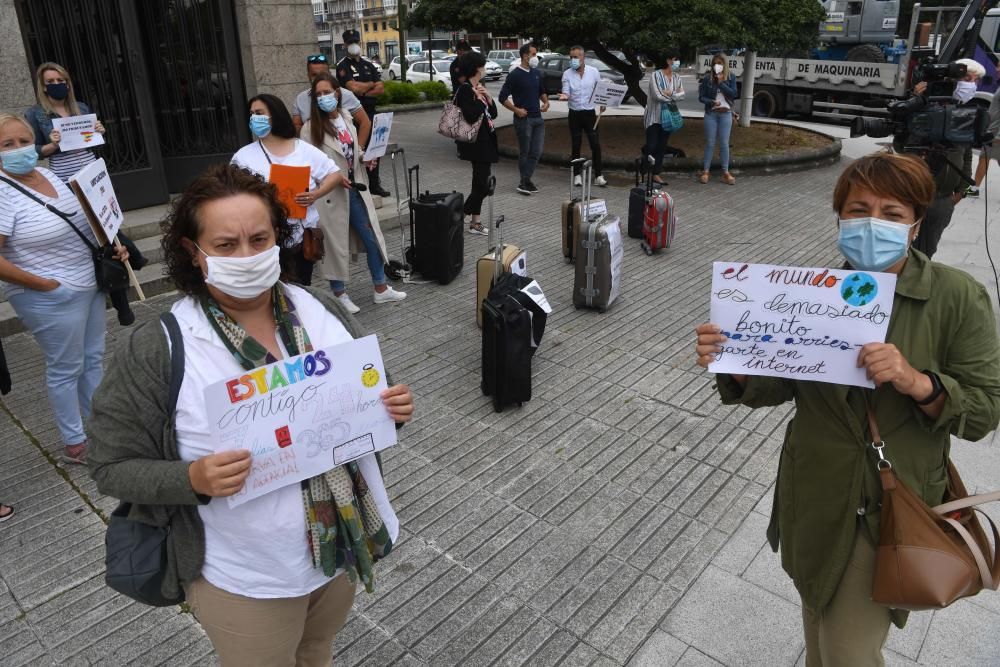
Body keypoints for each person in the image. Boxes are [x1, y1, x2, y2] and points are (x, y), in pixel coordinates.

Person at [87, 163, 413, 666]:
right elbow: (110, 465)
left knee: (317, 650)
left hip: (344, 543)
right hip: (249, 577)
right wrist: (191, 477)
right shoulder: (158, 347)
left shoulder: (317, 305)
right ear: (194, 254)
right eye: (225, 245)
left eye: (259, 238)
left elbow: (367, 396)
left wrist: (391, 409)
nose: (247, 255)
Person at [694, 151, 1000, 666]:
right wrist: (738, 364)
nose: (872, 223)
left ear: (916, 224)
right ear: (840, 217)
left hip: (887, 505)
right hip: (812, 493)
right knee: (818, 625)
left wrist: (918, 383)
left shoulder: (957, 298)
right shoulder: (811, 295)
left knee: (848, 651)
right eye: (859, 210)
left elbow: (986, 412)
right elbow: (782, 384)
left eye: (892, 213)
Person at [0, 113, 128, 466]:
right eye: (7, 145)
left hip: (87, 280)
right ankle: (75, 443)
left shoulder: (45, 172)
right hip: (48, 295)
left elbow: (83, 217)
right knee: (65, 368)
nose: (19, 150)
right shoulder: (2, 191)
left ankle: (101, 429)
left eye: (23, 141)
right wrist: (44, 285)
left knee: (91, 359)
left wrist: (112, 244)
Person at [302, 72, 406, 312]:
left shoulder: (346, 118)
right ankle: (339, 294)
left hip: (357, 189)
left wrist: (364, 158)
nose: (323, 97)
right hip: (330, 196)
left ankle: (380, 288)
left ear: (337, 93)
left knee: (372, 239)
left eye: (327, 92)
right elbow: (307, 167)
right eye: (318, 94)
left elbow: (352, 151)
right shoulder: (309, 129)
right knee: (334, 246)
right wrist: (332, 179)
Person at [230, 94, 343, 286]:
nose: (254, 118)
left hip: (299, 240)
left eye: (259, 113)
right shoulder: (243, 156)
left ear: (275, 115)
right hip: (262, 241)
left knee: (300, 291)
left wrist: (315, 194)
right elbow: (230, 192)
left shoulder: (303, 149)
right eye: (251, 115)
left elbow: (335, 174)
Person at [906, 58, 984, 259]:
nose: (971, 85)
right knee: (902, 249)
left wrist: (961, 192)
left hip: (943, 200)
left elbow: (966, 156)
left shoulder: (965, 114)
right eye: (967, 78)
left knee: (927, 253)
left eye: (975, 80)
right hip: (914, 194)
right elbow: (903, 145)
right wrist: (915, 102)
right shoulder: (925, 106)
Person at [24, 62, 107, 184]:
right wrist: (53, 145)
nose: (56, 84)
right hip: (64, 177)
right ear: (44, 87)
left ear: (67, 84)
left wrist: (100, 133)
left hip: (93, 171)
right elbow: (32, 151)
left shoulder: (81, 108)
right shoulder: (35, 113)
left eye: (60, 80)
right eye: (50, 81)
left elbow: (95, 143)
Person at [337, 29, 390, 197]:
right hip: (354, 116)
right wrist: (370, 85)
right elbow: (352, 88)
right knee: (356, 149)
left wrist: (363, 89)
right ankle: (357, 184)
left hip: (371, 111)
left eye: (355, 41)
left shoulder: (367, 64)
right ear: (345, 45)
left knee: (375, 149)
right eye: (350, 42)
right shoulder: (342, 66)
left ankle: (374, 184)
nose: (353, 45)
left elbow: (380, 88)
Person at [452, 52, 499, 236]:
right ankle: (457, 216)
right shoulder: (465, 89)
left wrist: (487, 97)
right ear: (476, 68)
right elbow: (471, 115)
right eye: (483, 66)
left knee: (478, 183)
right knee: (484, 185)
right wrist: (480, 101)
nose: (485, 69)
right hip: (475, 144)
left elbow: (493, 113)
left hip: (485, 141)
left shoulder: (478, 87)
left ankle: (475, 222)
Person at [499, 43, 548, 195]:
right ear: (525, 56)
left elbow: (541, 91)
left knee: (537, 152)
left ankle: (526, 180)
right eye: (533, 54)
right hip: (523, 120)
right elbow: (502, 97)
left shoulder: (536, 73)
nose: (536, 57)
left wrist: (546, 102)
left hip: (538, 119)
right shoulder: (514, 75)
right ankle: (524, 181)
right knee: (525, 152)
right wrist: (516, 110)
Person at [558, 45, 607, 188]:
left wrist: (602, 103)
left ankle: (598, 175)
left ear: (583, 57)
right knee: (576, 144)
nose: (573, 60)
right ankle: (577, 175)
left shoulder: (593, 72)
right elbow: (566, 91)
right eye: (571, 57)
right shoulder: (567, 74)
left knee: (595, 145)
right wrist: (564, 95)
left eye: (576, 57)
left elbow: (600, 89)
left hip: (590, 114)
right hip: (574, 114)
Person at [292, 54, 365, 136]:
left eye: (322, 74)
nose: (319, 78)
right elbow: (296, 125)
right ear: (308, 76)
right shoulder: (300, 99)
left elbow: (365, 122)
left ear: (329, 74)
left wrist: (358, 147)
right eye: (314, 75)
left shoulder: (345, 95)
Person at [642, 50, 685, 187]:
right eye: (674, 59)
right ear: (668, 61)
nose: (677, 62)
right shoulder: (656, 75)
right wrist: (674, 94)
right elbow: (657, 95)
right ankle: (644, 171)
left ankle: (656, 173)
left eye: (678, 59)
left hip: (668, 118)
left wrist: (669, 92)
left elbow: (683, 94)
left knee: (661, 147)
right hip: (654, 117)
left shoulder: (677, 77)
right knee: (651, 145)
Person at [698, 54, 738, 185]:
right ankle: (705, 171)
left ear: (725, 64)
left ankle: (725, 172)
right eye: (715, 63)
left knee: (724, 144)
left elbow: (734, 94)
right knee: (710, 142)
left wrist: (721, 83)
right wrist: (711, 102)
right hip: (711, 114)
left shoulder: (731, 77)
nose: (717, 65)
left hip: (725, 114)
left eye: (720, 63)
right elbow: (701, 97)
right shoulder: (707, 78)